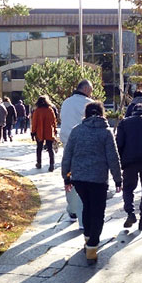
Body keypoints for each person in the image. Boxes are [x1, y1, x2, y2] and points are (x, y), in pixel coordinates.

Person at [61, 101, 122, 265]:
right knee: (98, 212)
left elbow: (67, 155)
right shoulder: (106, 132)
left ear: (86, 115)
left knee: (87, 207)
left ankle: (88, 237)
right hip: (98, 179)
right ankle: (92, 247)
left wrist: (66, 177)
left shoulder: (76, 131)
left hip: (79, 179)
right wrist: (118, 179)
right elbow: (113, 158)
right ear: (102, 114)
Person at [116, 103, 142, 230]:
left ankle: (130, 213)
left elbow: (119, 143)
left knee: (128, 188)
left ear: (132, 112)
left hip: (129, 161)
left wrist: (120, 161)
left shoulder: (124, 123)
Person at [59, 80, 94, 226]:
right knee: (82, 178)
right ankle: (82, 214)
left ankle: (72, 209)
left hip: (67, 142)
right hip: (83, 144)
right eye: (91, 90)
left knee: (69, 175)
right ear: (85, 89)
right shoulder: (88, 103)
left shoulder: (66, 102)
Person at [31, 95, 58, 172]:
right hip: (49, 131)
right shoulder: (50, 110)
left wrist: (33, 132)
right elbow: (54, 121)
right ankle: (51, 165)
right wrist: (55, 131)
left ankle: (39, 163)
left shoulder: (37, 111)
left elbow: (34, 123)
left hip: (39, 132)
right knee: (50, 148)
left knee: (39, 148)